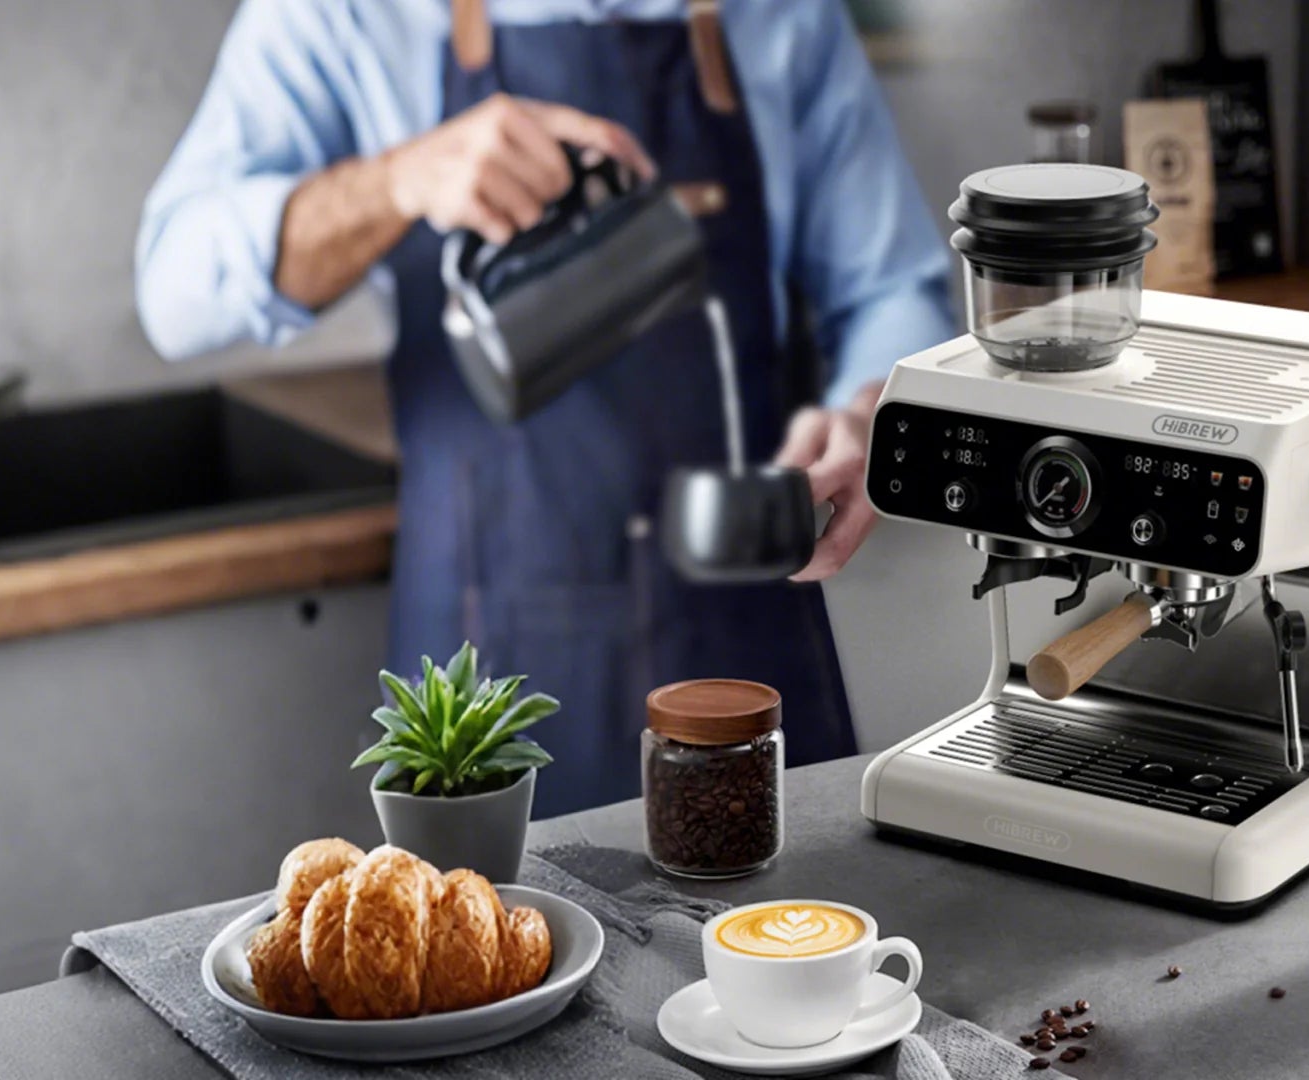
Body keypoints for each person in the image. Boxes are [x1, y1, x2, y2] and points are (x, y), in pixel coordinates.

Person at [136, 0, 953, 816]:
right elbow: (174, 292)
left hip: (748, 631)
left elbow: (893, 288)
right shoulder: (343, 16)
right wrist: (393, 181)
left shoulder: (782, 16)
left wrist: (870, 409)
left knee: (793, 924)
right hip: (484, 655)